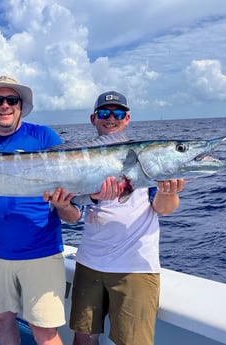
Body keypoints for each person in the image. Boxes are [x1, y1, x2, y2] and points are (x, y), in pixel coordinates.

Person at [0, 75, 79, 345]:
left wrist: (63, 203)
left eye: (11, 100)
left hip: (42, 252)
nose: (4, 106)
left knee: (44, 331)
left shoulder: (44, 136)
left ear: (21, 106)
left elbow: (71, 200)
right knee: (1, 320)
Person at [68, 91, 185, 345]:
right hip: (89, 263)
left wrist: (169, 191)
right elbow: (73, 209)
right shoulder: (82, 157)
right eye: (104, 113)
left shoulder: (146, 156)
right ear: (93, 118)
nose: (111, 118)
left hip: (135, 268)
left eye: (118, 113)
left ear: (127, 118)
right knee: (83, 338)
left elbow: (163, 208)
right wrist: (93, 197)